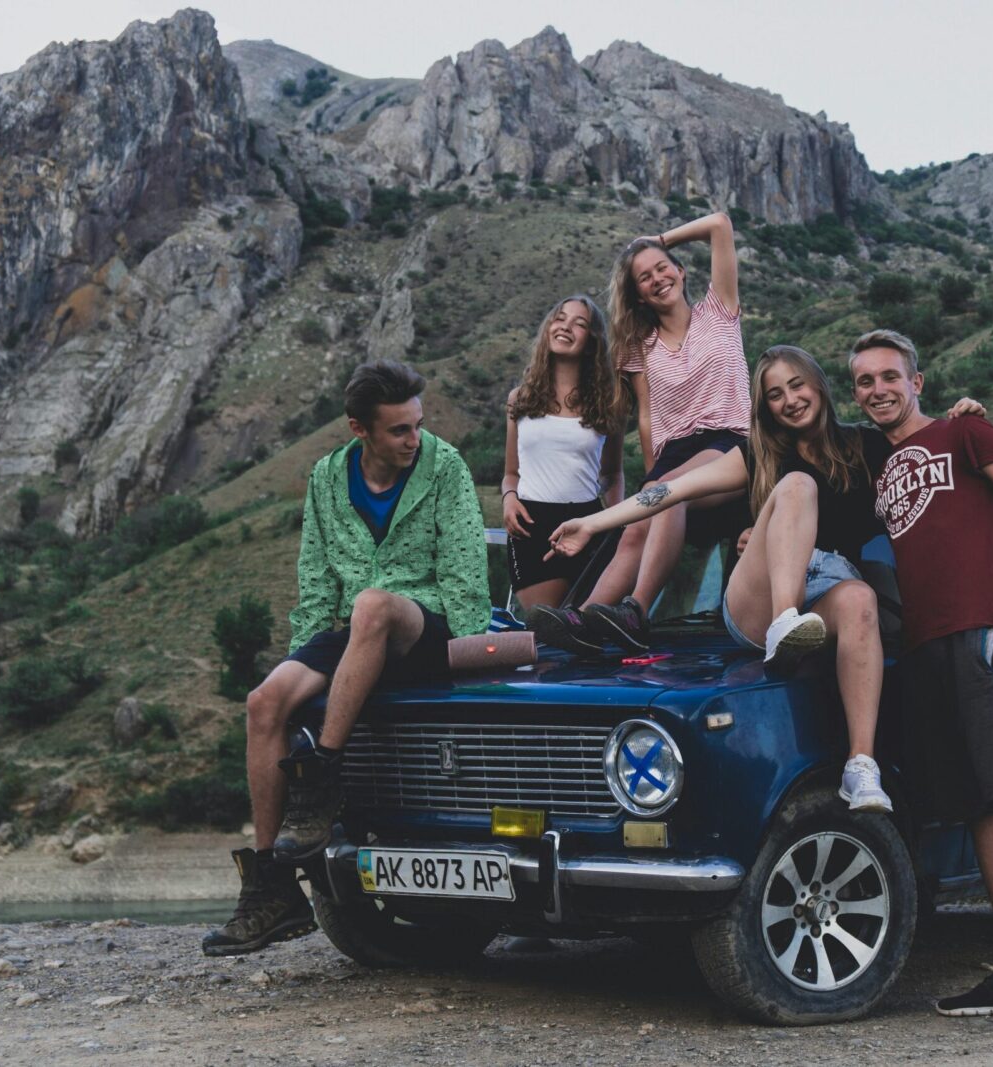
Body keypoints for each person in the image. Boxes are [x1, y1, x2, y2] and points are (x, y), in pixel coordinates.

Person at [545, 345, 985, 813]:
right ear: (765, 406)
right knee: (798, 485)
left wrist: (962, 420)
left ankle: (860, 766)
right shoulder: (759, 453)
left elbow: (929, 447)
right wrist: (595, 523)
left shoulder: (866, 446)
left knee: (859, 598)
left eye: (797, 385)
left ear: (818, 384)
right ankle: (784, 623)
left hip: (831, 586)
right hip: (761, 600)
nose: (790, 399)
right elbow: (670, 490)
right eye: (775, 394)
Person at [201, 360, 489, 957]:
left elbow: (465, 574)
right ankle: (270, 887)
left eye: (417, 425)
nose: (414, 440)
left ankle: (321, 778)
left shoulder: (446, 467)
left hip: (424, 624)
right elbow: (315, 578)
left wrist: (466, 656)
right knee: (265, 701)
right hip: (353, 628)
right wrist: (305, 657)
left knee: (375, 604)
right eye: (399, 431)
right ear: (360, 429)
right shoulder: (327, 478)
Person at [849, 329, 993, 1037]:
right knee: (978, 804)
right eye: (864, 381)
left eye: (891, 375)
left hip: (986, 629)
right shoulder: (871, 463)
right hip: (923, 647)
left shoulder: (965, 431)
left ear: (918, 381)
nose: (879, 388)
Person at [529, 212, 748, 655]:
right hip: (674, 453)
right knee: (634, 529)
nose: (657, 278)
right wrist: (650, 477)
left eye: (663, 267)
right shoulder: (639, 345)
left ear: (682, 271)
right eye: (644, 277)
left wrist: (657, 239)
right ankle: (584, 620)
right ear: (640, 296)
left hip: (729, 442)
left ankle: (637, 612)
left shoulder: (720, 309)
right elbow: (648, 417)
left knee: (668, 493)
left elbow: (721, 225)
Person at [501, 294, 625, 611]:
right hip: (530, 525)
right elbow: (511, 473)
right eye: (560, 318)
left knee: (588, 630)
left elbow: (611, 473)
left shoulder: (608, 404)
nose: (566, 326)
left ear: (591, 341)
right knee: (547, 630)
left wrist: (617, 525)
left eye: (579, 323)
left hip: (589, 522)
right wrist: (508, 498)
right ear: (548, 329)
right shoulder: (520, 399)